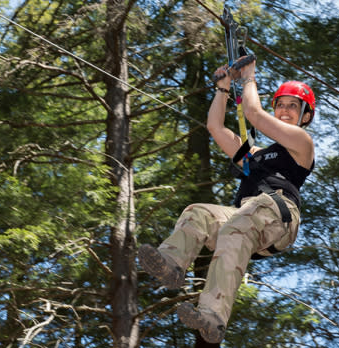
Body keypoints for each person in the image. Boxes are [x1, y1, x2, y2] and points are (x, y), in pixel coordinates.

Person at [138, 57, 315, 343]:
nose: (284, 110)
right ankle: (172, 265)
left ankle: (214, 316)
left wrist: (248, 78)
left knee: (242, 220)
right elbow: (216, 128)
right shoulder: (254, 154)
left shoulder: (301, 143)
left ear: (304, 116)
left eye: (292, 106)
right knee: (198, 213)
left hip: (278, 214)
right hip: (248, 220)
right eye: (280, 104)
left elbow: (254, 115)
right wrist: (222, 89)